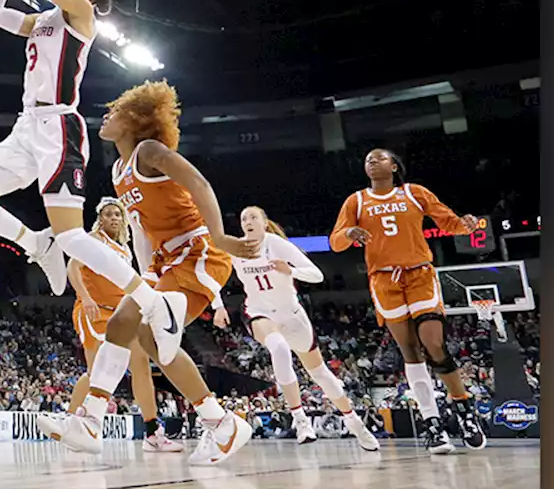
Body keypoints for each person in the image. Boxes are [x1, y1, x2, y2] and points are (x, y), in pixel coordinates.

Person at [0, 0, 186, 360]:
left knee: (75, 237)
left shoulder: (81, 11)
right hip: (26, 126)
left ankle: (153, 302)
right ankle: (35, 242)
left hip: (60, 124)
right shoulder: (45, 20)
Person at [55, 80, 259, 464]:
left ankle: (94, 420)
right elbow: (143, 226)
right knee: (129, 328)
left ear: (135, 118)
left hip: (198, 250)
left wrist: (220, 234)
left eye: (116, 111)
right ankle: (219, 422)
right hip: (165, 259)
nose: (108, 115)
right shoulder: (118, 170)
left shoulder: (149, 151)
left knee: (143, 332)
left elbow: (198, 182)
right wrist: (146, 273)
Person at [329, 148, 486, 453]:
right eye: (367, 159)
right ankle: (432, 423)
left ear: (395, 166)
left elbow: (448, 222)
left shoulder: (414, 193)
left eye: (379, 157)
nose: (371, 161)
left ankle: (465, 409)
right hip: (384, 280)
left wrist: (466, 224)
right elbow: (335, 242)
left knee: (434, 343)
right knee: (410, 350)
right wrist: (349, 231)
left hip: (419, 274)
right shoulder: (356, 201)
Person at [212, 206, 379, 451]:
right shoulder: (236, 248)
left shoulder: (277, 245)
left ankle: (354, 422)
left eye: (253, 217)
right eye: (243, 218)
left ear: (264, 221)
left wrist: (291, 270)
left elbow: (317, 274)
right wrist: (218, 306)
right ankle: (300, 420)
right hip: (259, 312)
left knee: (320, 373)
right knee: (278, 347)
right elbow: (212, 276)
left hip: (292, 315)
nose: (248, 221)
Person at [37, 197, 181, 453]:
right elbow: (73, 266)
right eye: (108, 214)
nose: (114, 218)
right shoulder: (93, 238)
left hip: (122, 313)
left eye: (117, 214)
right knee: (97, 375)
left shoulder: (124, 249)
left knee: (141, 366)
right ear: (100, 218)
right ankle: (74, 422)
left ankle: (152, 432)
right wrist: (87, 297)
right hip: (96, 311)